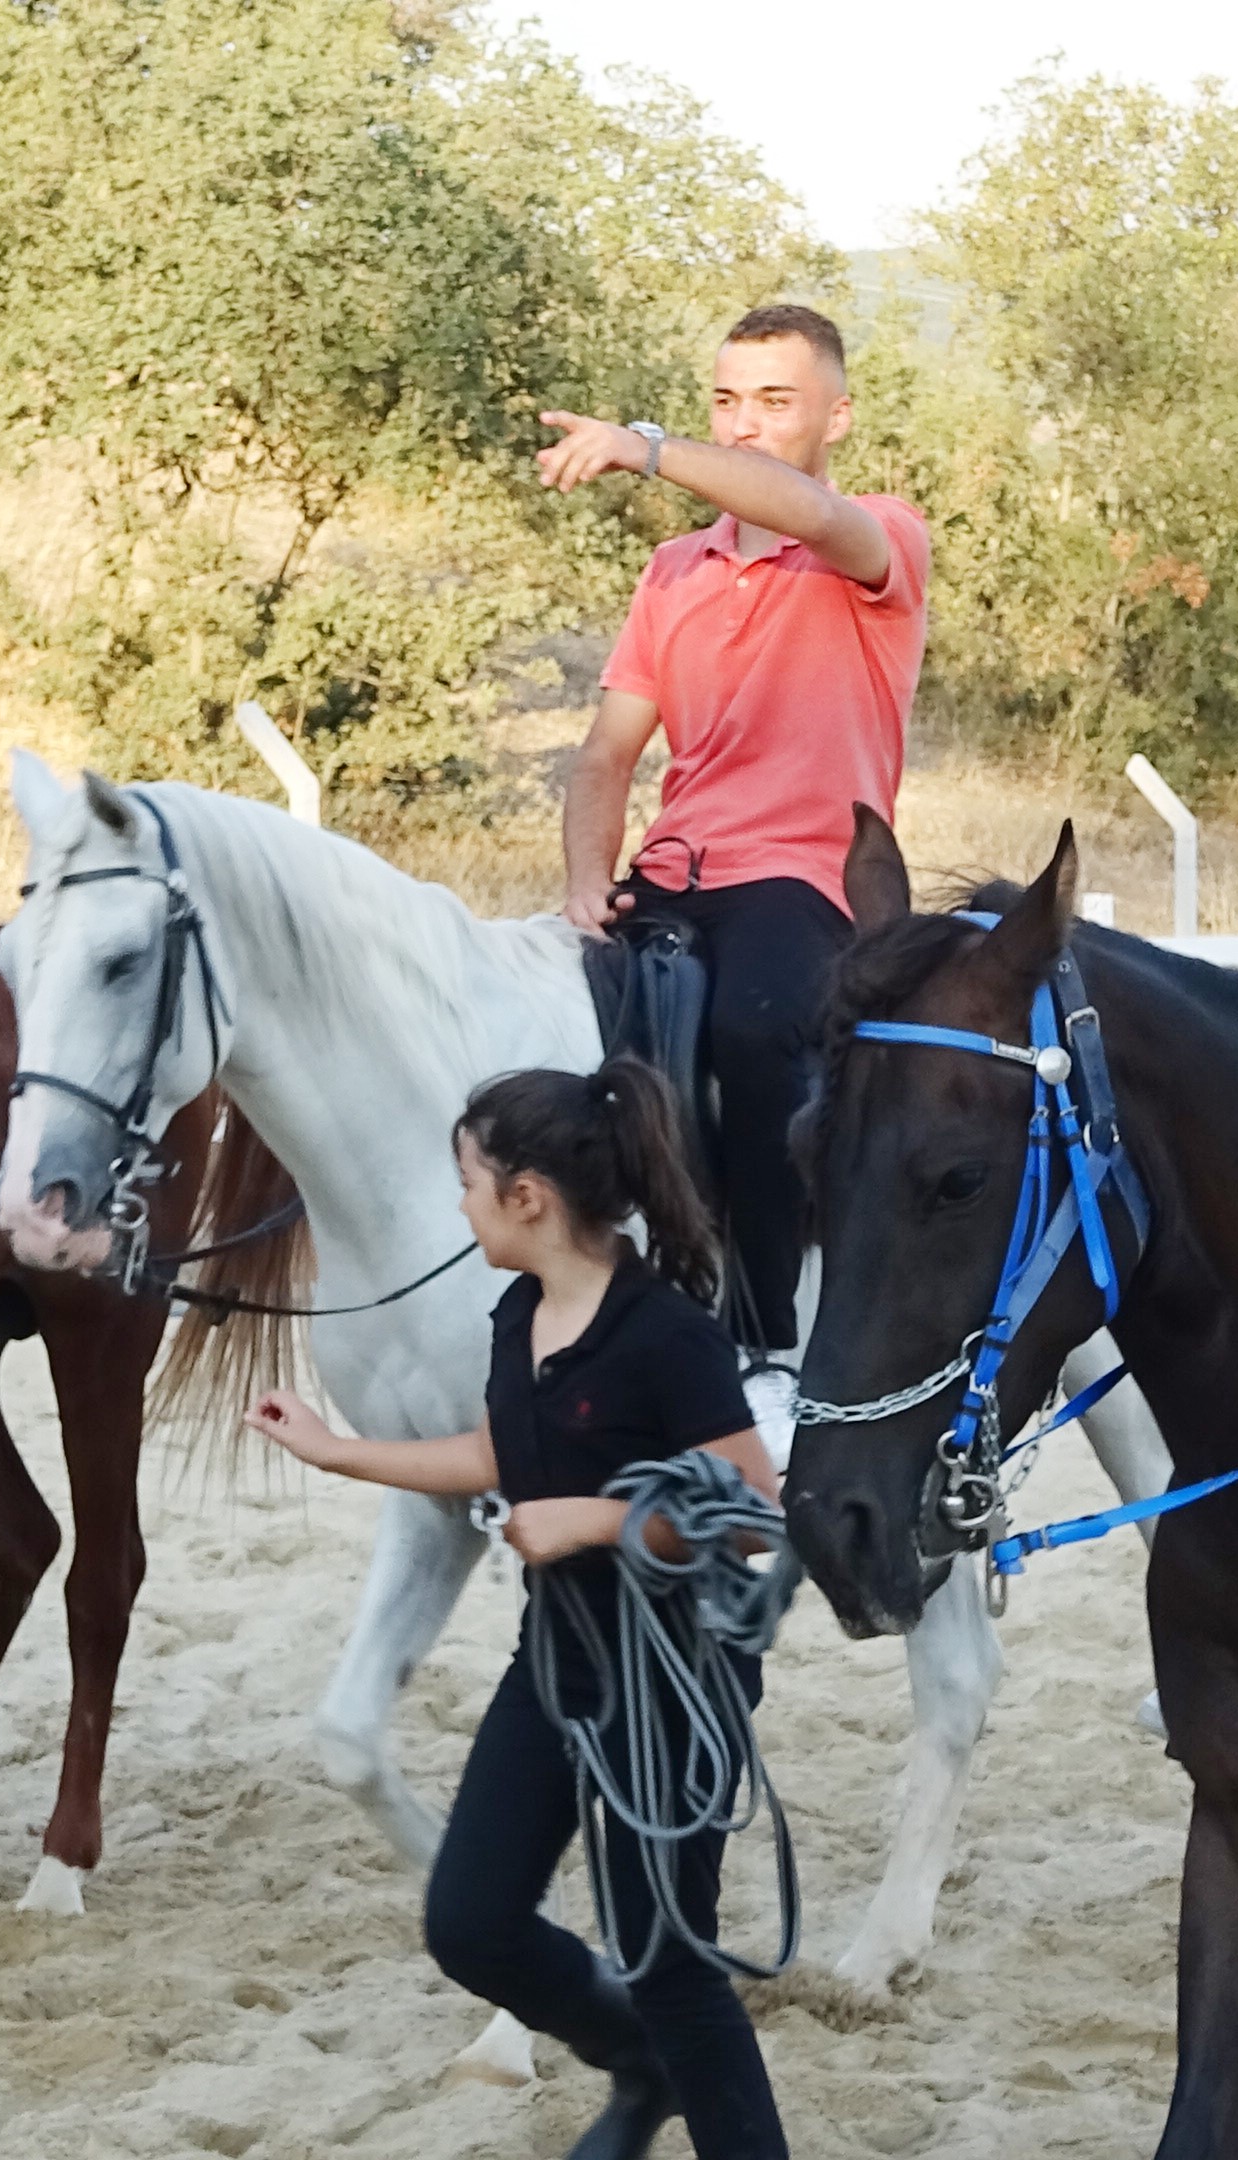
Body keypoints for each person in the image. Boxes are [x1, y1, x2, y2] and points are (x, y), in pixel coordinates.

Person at [246, 1061, 789, 2160]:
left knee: (669, 1961)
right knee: (472, 1923)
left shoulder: (667, 1337)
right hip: (557, 1661)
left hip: (670, 1684)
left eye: (470, 1182)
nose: (461, 1203)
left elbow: (749, 1517)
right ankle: (637, 2065)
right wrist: (334, 1450)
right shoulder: (518, 1313)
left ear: (528, 1196)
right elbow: (500, 1452)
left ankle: (697, 2091)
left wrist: (593, 1521)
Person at [534, 304, 933, 1390]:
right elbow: (610, 754)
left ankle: (766, 1342)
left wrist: (651, 448)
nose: (744, 423)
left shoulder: (878, 537)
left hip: (805, 879)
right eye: (725, 400)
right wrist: (582, 884)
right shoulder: (673, 573)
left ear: (836, 418)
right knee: (559, 1049)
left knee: (762, 1037)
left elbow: (803, 509)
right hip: (672, 877)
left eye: (774, 401)